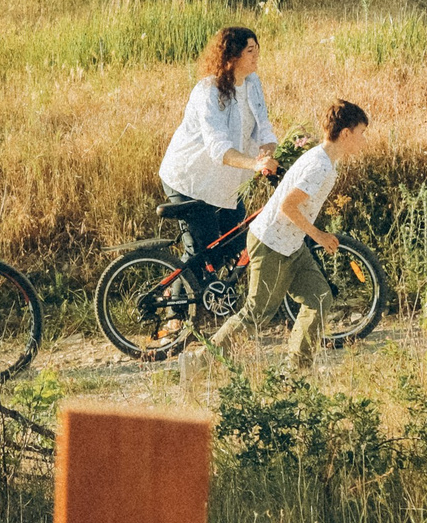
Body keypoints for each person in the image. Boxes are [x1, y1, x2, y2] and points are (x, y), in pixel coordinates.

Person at [232, 99, 373, 372]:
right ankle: (199, 362)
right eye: (362, 133)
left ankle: (296, 371)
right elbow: (288, 206)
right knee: (256, 314)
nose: (364, 140)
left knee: (319, 298)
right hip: (271, 243)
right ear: (346, 134)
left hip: (291, 245)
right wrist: (319, 236)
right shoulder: (320, 166)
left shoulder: (325, 161)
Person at [156, 26, 278, 294]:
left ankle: (215, 301)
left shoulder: (252, 83)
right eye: (250, 51)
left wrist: (269, 153)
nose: (257, 55)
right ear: (231, 56)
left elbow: (264, 127)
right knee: (202, 252)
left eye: (257, 49)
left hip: (225, 182)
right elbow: (218, 148)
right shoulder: (208, 92)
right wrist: (255, 164)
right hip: (191, 179)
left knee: (235, 244)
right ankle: (176, 313)